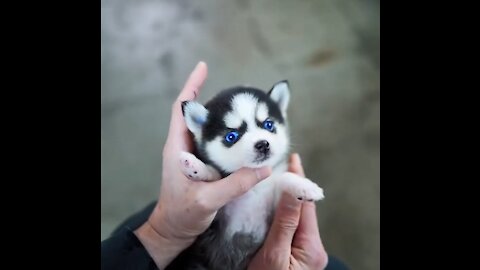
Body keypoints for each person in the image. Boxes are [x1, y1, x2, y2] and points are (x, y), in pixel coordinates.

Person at [101, 62, 349, 270]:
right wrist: (203, 176)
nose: (260, 140)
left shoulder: (277, 173)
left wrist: (293, 184)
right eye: (232, 136)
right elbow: (212, 185)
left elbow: (279, 188)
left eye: (268, 126)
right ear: (201, 134)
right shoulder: (208, 188)